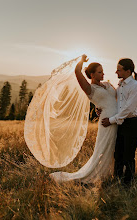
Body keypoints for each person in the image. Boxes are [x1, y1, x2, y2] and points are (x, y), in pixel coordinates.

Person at [49, 55, 118, 183]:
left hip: (117, 120)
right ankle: (97, 174)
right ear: (92, 75)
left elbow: (117, 98)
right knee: (104, 148)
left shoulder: (107, 84)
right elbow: (77, 72)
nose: (103, 74)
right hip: (106, 122)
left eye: (103, 71)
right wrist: (81, 61)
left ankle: (113, 173)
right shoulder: (89, 89)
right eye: (99, 72)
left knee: (115, 147)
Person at [101, 58, 137, 185]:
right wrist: (102, 109)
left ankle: (128, 184)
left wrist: (111, 120)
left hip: (133, 123)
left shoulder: (136, 86)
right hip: (121, 123)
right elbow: (117, 104)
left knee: (128, 156)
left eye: (119, 70)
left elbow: (128, 109)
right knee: (117, 154)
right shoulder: (120, 85)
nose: (116, 72)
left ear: (128, 71)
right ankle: (117, 180)